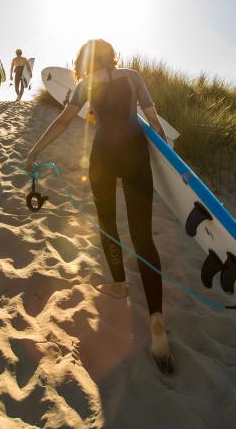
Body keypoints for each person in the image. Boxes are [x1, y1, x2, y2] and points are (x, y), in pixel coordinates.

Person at [26, 39, 174, 374]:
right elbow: (154, 120)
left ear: (84, 60)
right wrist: (170, 160)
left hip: (103, 157)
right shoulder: (133, 76)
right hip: (136, 155)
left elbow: (64, 121)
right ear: (112, 56)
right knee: (143, 238)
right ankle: (157, 322)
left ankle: (119, 284)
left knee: (107, 222)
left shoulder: (85, 85)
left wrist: (35, 151)